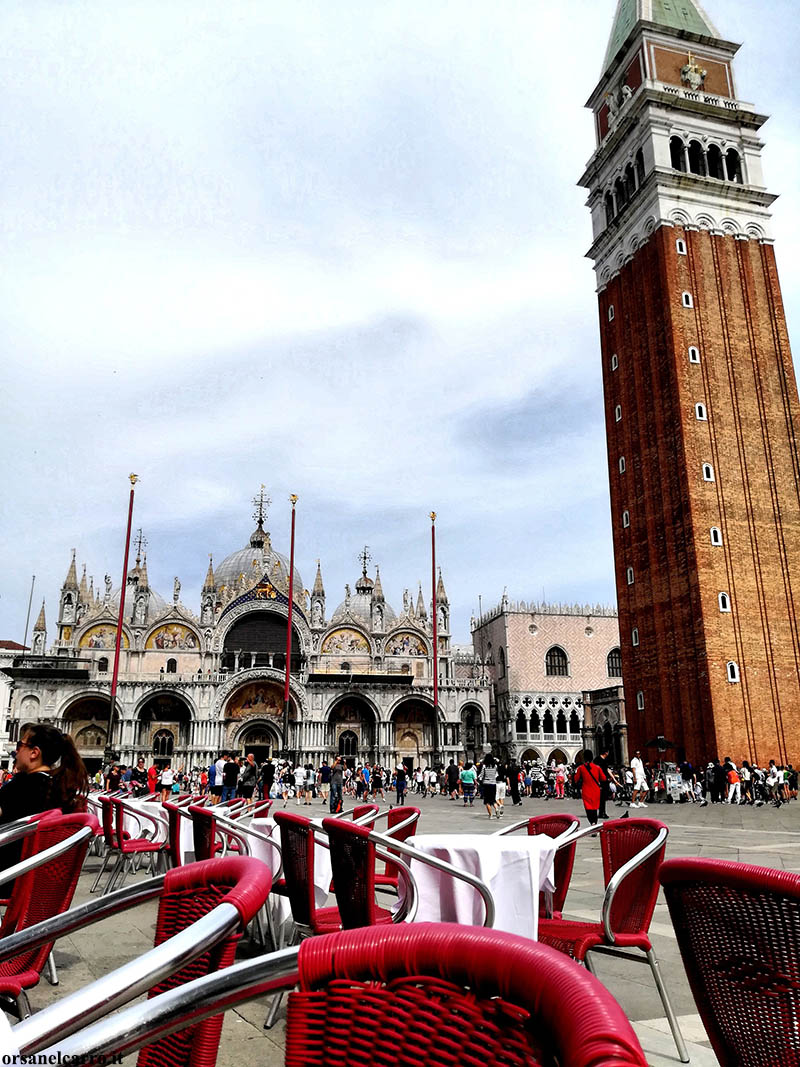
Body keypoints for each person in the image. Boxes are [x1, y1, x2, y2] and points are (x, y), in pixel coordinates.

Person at [0, 724, 89, 884]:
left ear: (34, 752)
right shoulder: (58, 786)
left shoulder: (22, 786)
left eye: (20, 745)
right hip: (36, 877)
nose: (16, 751)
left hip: (9, 874)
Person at [573, 749, 607, 825]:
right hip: (596, 790)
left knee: (588, 808)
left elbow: (576, 779)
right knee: (594, 808)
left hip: (586, 790)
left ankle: (592, 823)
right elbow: (603, 778)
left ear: (584, 758)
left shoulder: (581, 768)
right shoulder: (597, 767)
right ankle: (594, 822)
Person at [478, 754, 501, 819]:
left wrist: (479, 779)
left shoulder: (485, 766)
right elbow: (496, 775)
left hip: (486, 784)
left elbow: (482, 775)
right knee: (493, 799)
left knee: (487, 801)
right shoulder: (495, 766)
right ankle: (496, 808)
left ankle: (490, 815)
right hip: (493, 784)